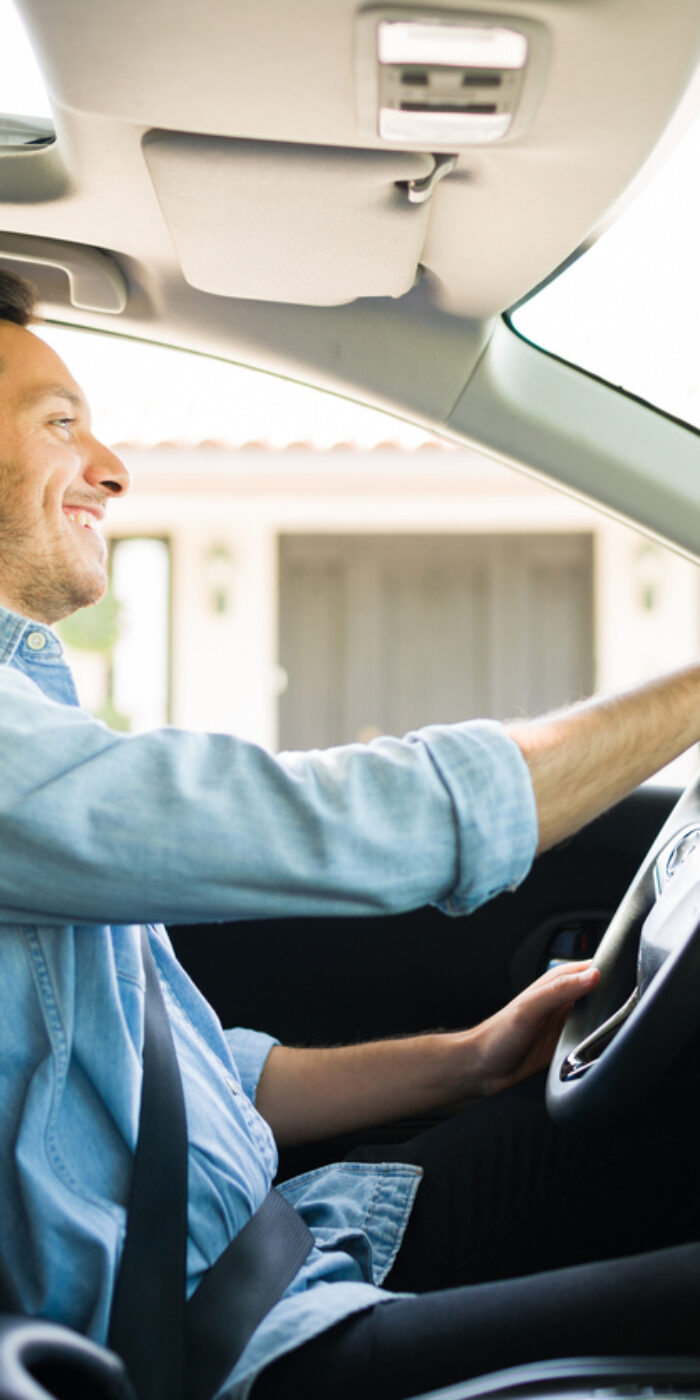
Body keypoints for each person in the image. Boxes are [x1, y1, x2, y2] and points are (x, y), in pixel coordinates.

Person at [1, 265, 700, 1400]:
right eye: (62, 425)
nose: (113, 467)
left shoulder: (29, 725)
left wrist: (468, 1060)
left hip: (295, 1250)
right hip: (223, 1354)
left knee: (650, 1130)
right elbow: (364, 821)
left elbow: (183, 1071)